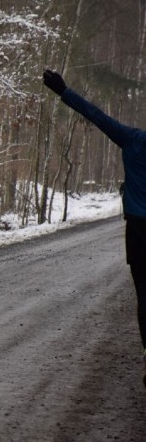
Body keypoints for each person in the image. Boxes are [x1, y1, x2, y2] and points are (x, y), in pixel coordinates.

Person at [43, 69, 146, 387]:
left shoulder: (134, 139)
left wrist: (63, 91)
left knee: (144, 294)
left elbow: (96, 116)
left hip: (139, 231)